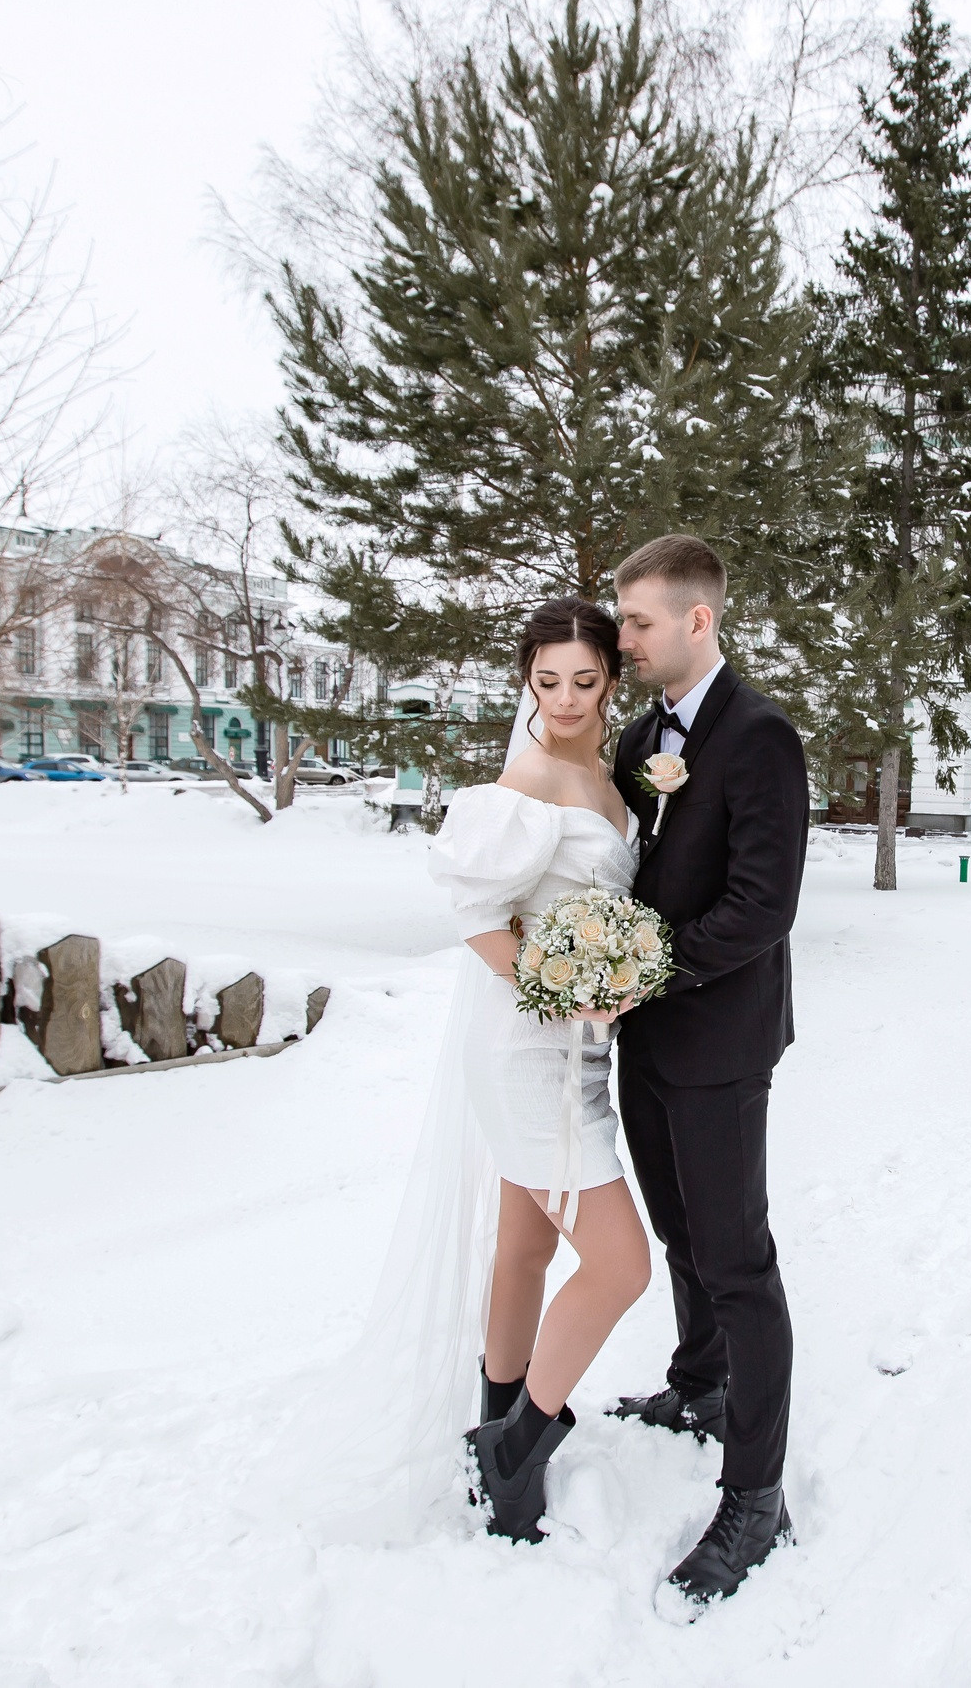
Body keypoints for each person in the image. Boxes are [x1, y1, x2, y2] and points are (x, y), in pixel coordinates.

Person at [607, 534, 810, 1610]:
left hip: (721, 1039)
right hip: (641, 1035)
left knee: (737, 1260)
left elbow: (762, 904)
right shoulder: (643, 735)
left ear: (696, 620)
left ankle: (758, 1495)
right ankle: (699, 1386)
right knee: (680, 1234)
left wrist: (644, 971)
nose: (623, 637)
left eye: (637, 621)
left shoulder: (761, 736)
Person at [425, 597, 654, 1543]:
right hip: (533, 1053)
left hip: (577, 1050)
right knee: (621, 1264)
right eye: (545, 680)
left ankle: (496, 1413)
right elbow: (476, 912)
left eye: (584, 680)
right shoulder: (528, 777)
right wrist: (564, 989)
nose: (563, 699)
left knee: (524, 1246)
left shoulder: (603, 773)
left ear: (611, 677)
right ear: (528, 679)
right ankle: (516, 1451)